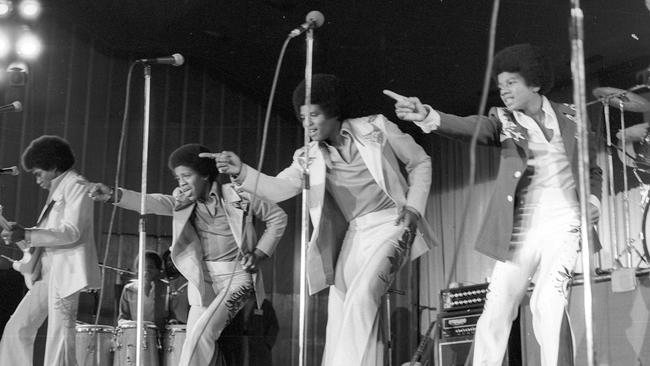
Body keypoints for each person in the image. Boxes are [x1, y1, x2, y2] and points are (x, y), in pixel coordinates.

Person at [385, 44, 603, 366]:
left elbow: (592, 169)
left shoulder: (571, 117)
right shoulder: (502, 119)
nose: (504, 91)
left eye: (512, 83)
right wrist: (429, 116)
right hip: (520, 227)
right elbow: (471, 127)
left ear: (536, 84)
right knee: (498, 305)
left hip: (565, 221)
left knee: (549, 300)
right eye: (500, 86)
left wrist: (594, 198)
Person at [209, 74, 437, 366]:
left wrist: (415, 208)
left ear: (333, 110)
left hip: (394, 224)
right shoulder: (308, 156)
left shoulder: (376, 127)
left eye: (314, 114)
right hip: (357, 233)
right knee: (341, 310)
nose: (308, 123)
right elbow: (277, 189)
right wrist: (242, 171)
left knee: (364, 293)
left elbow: (419, 161)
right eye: (303, 117)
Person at [86, 143, 287, 366]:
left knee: (202, 335)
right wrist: (114, 195)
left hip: (237, 277)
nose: (181, 182)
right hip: (203, 281)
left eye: (187, 175)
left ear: (205, 175)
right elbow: (152, 202)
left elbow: (278, 217)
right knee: (192, 341)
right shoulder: (182, 202)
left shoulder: (238, 195)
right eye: (178, 177)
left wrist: (259, 253)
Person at [0, 135, 101, 365]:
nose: (37, 180)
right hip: (47, 276)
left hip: (64, 275)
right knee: (17, 329)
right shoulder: (59, 190)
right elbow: (50, 234)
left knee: (60, 340)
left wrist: (26, 234)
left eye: (38, 173)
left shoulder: (76, 185)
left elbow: (71, 231)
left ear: (54, 167)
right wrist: (22, 232)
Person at [117, 251, 169, 329]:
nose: (146, 270)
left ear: (158, 270)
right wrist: (131, 324)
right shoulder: (129, 289)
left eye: (150, 267)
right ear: (137, 269)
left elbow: (172, 316)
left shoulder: (166, 288)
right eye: (142, 266)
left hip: (159, 336)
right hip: (134, 334)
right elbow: (122, 318)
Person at [163, 248, 190, 324]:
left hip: (182, 327)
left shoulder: (189, 283)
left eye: (175, 259)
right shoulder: (161, 283)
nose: (171, 263)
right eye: (169, 260)